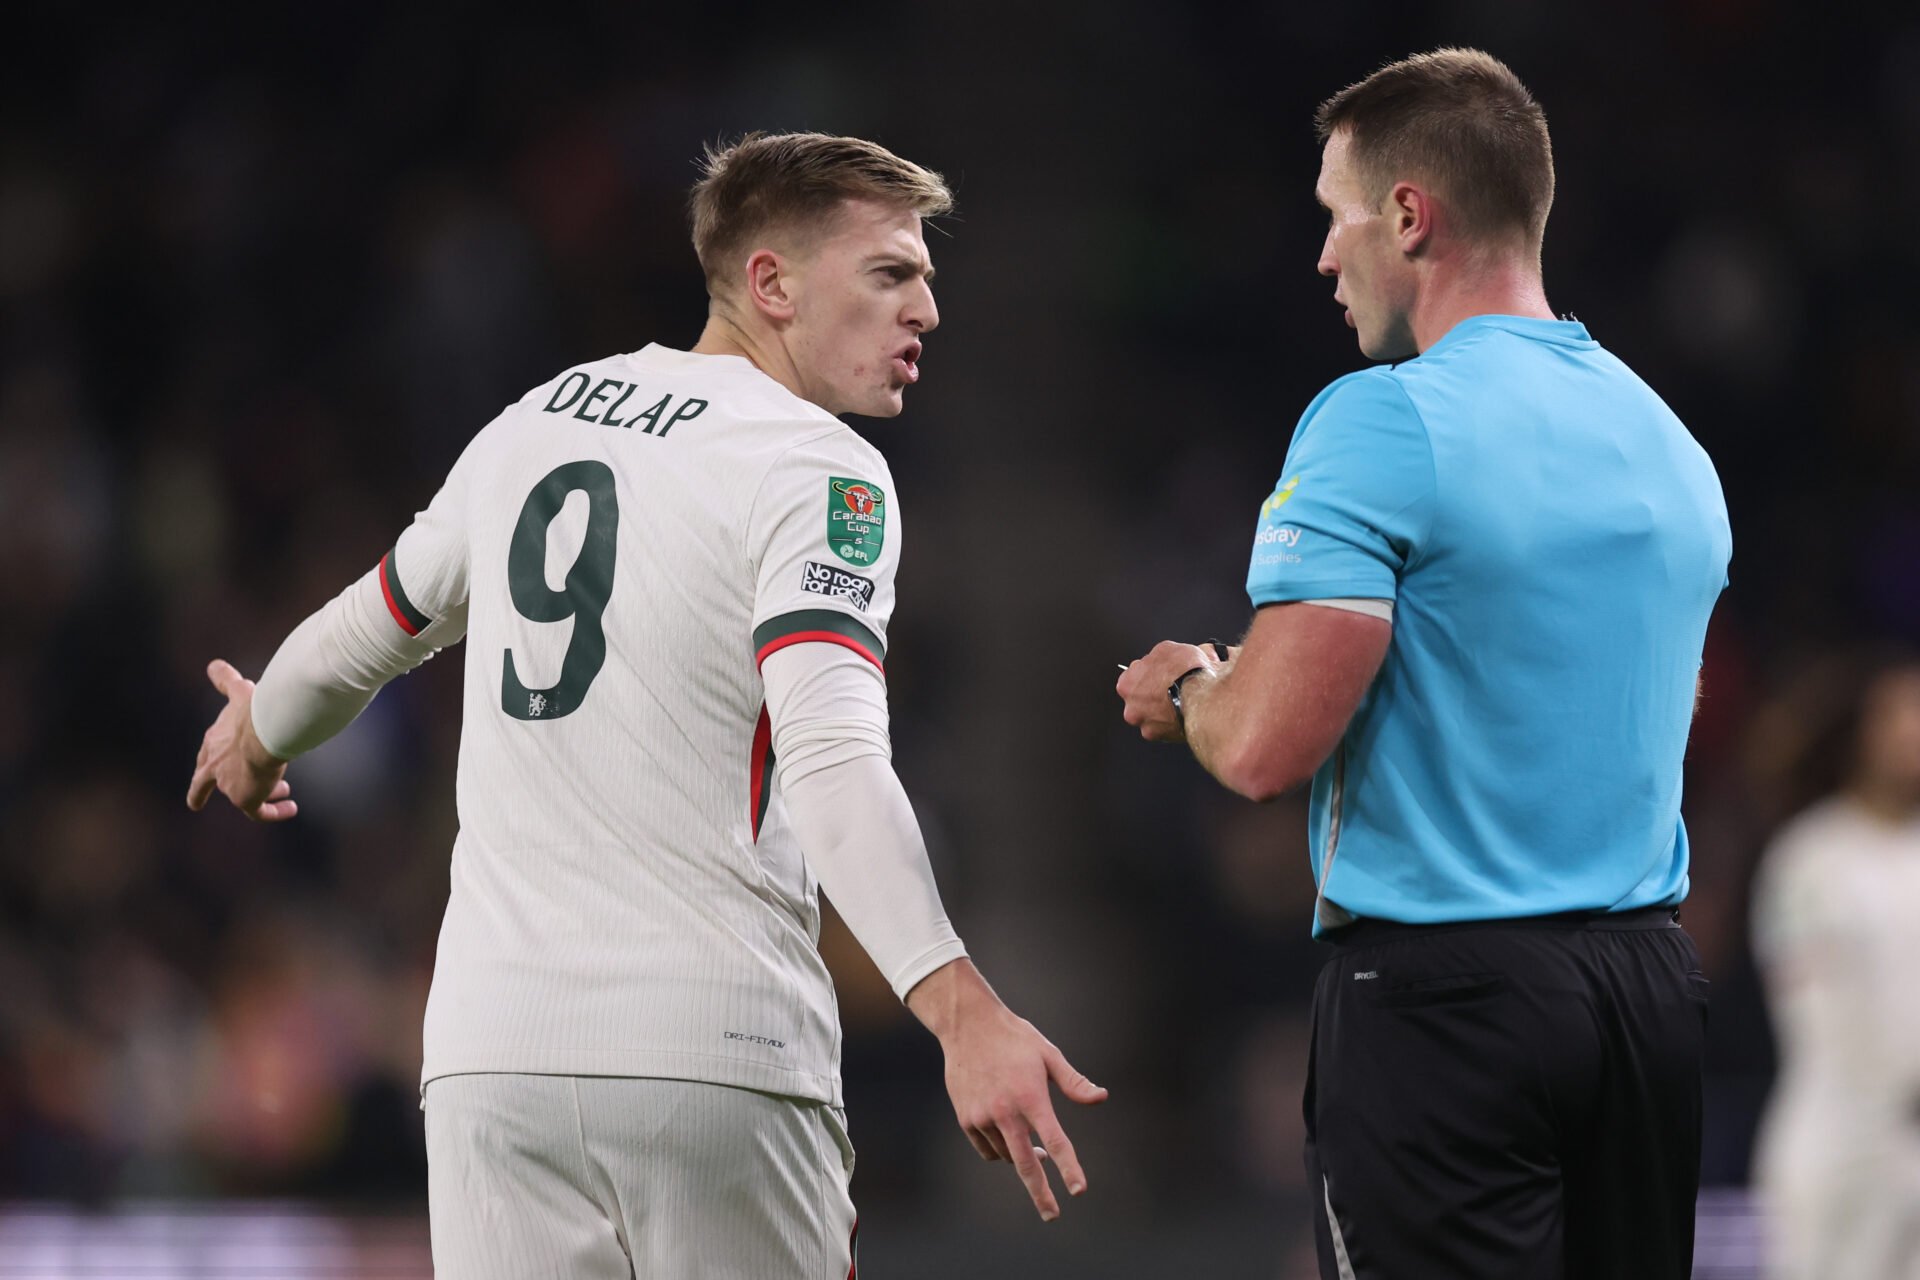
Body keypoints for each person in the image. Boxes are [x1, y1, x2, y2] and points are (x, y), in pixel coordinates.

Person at [187, 131, 1105, 1278]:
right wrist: (962, 1009)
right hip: (710, 1056)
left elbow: (363, 634)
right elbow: (829, 755)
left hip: (493, 1065)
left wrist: (257, 732)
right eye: (889, 273)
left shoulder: (538, 417)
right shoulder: (816, 464)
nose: (926, 308)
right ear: (770, 282)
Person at [1116, 48, 1731, 1280]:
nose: (1328, 257)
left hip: (1447, 1005)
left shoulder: (1382, 417)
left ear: (1409, 214)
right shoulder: (1667, 437)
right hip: (1649, 995)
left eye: (1337, 218)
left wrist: (1191, 688)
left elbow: (1263, 745)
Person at [1751, 657, 1920, 1280]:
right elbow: (1816, 1019)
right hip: (1842, 1142)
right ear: (1860, 732)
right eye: (1898, 714)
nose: (1913, 732)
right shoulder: (1810, 857)